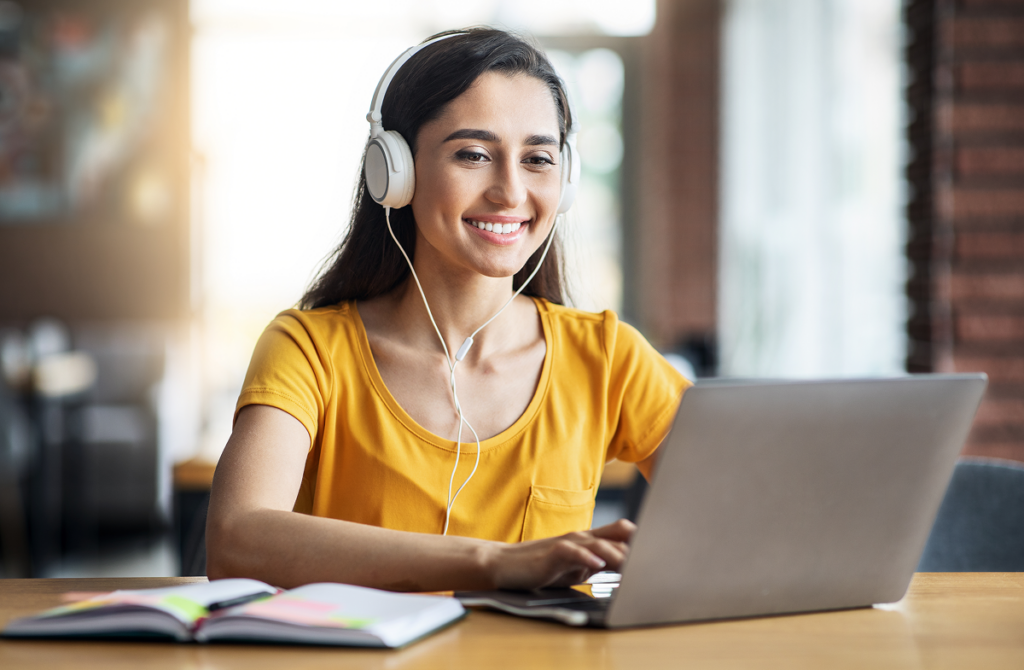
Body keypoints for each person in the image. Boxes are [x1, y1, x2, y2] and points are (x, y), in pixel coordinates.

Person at [206, 28, 688, 592]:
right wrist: (493, 563)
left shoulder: (608, 358)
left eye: (537, 158)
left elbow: (751, 510)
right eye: (474, 154)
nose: (510, 191)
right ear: (396, 172)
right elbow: (237, 539)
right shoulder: (310, 349)